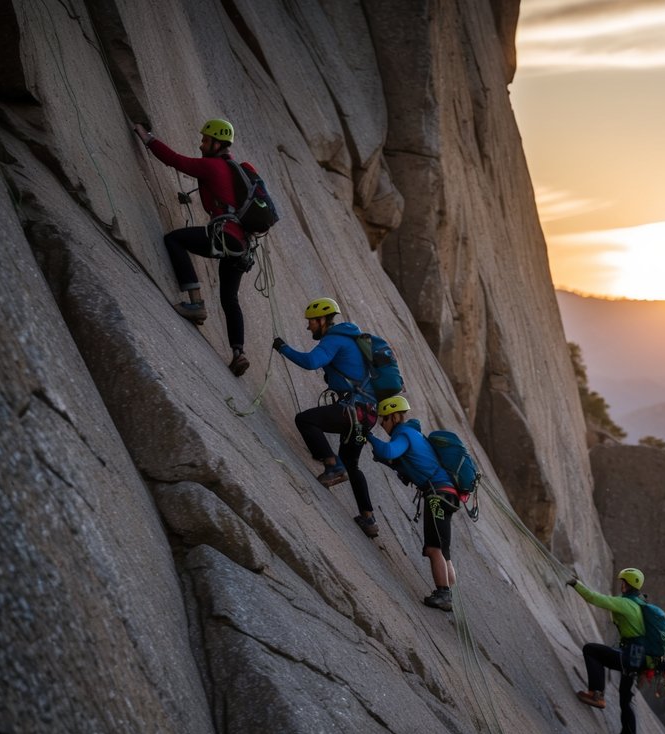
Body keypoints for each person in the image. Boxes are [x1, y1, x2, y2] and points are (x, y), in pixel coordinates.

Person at [133, 119, 254, 376]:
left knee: (174, 239)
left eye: (205, 140)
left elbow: (177, 161)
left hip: (225, 236)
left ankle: (195, 303)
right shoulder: (232, 170)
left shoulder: (213, 166)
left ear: (217, 143)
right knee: (229, 298)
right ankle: (238, 353)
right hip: (242, 245)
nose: (201, 144)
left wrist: (148, 138)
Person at [273, 298, 380, 538]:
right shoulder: (353, 340)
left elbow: (312, 362)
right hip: (367, 416)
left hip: (351, 411)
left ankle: (332, 466)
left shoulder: (334, 339)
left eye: (311, 322)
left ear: (322, 320)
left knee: (305, 420)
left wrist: (283, 348)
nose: (308, 327)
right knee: (352, 464)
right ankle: (368, 518)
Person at [368, 396, 460, 612]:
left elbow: (389, 451)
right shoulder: (415, 435)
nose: (383, 424)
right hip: (447, 494)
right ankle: (448, 588)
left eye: (384, 419)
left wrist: (369, 437)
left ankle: (443, 594)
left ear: (394, 416)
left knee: (433, 547)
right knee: (443, 549)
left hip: (437, 495)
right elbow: (399, 462)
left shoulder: (404, 433)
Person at [567, 567, 650, 734]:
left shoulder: (627, 604)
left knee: (592, 650)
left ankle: (597, 694)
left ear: (627, 585)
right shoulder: (641, 604)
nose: (621, 585)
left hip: (630, 654)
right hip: (639, 658)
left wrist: (575, 584)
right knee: (625, 698)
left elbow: (595, 599)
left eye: (623, 582)